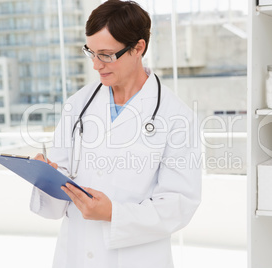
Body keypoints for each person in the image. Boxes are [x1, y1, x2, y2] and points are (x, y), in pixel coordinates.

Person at [30, 1, 201, 267]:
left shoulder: (176, 116)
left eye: (107, 55)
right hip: (76, 253)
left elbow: (179, 205)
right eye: (92, 53)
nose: (97, 65)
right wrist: (47, 177)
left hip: (138, 257)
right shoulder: (79, 103)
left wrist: (114, 213)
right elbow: (61, 181)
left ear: (138, 48)